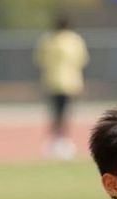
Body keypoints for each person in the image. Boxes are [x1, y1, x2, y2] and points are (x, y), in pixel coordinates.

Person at [34, 13, 89, 160]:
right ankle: (62, 141)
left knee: (55, 113)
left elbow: (40, 60)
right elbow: (82, 60)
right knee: (64, 113)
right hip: (70, 82)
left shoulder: (48, 40)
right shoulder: (74, 40)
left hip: (51, 81)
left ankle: (54, 141)